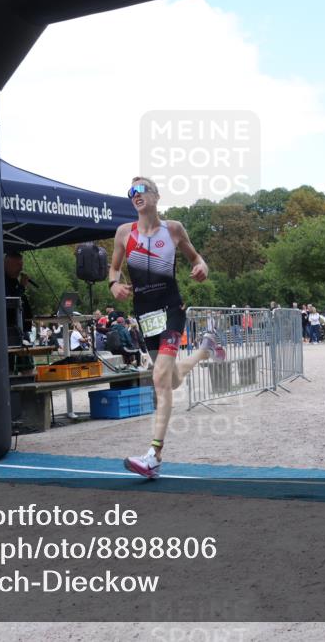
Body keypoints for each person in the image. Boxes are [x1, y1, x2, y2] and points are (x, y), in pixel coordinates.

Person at [111, 177, 225, 479]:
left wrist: (202, 267)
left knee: (159, 378)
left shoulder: (173, 229)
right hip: (145, 316)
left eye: (140, 189)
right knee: (171, 381)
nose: (134, 195)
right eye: (130, 192)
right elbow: (114, 269)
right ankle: (205, 350)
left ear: (156, 196)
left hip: (172, 310)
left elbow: (197, 258)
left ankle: (154, 455)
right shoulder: (124, 233)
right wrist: (113, 285)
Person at [3, 252, 35, 340]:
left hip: (21, 328)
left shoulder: (14, 280)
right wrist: (21, 286)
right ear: (7, 264)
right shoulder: (1, 281)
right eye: (18, 265)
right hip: (10, 330)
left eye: (21, 265)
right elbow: (11, 302)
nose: (21, 269)